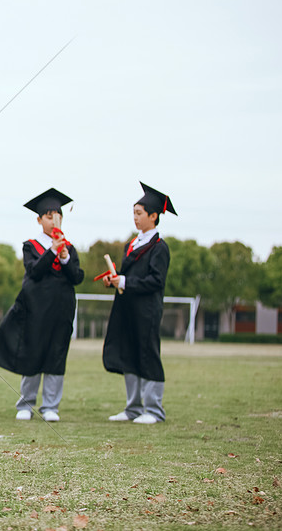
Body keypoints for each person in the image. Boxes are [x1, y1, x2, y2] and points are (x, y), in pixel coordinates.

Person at [0, 188, 84, 422]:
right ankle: (26, 403)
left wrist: (64, 256)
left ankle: (51, 406)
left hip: (61, 309)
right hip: (35, 308)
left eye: (58, 216)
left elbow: (77, 277)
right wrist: (52, 250)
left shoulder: (69, 248)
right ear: (39, 219)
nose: (54, 221)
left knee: (56, 356)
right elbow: (34, 271)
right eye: (49, 216)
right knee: (32, 354)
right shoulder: (31, 245)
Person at [100, 182, 177, 425]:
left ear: (154, 216)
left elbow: (155, 281)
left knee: (148, 355)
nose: (135, 218)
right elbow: (127, 276)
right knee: (130, 355)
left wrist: (124, 279)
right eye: (133, 213)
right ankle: (133, 408)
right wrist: (114, 280)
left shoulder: (159, 248)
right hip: (127, 309)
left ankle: (154, 410)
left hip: (147, 311)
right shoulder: (132, 244)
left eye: (139, 213)